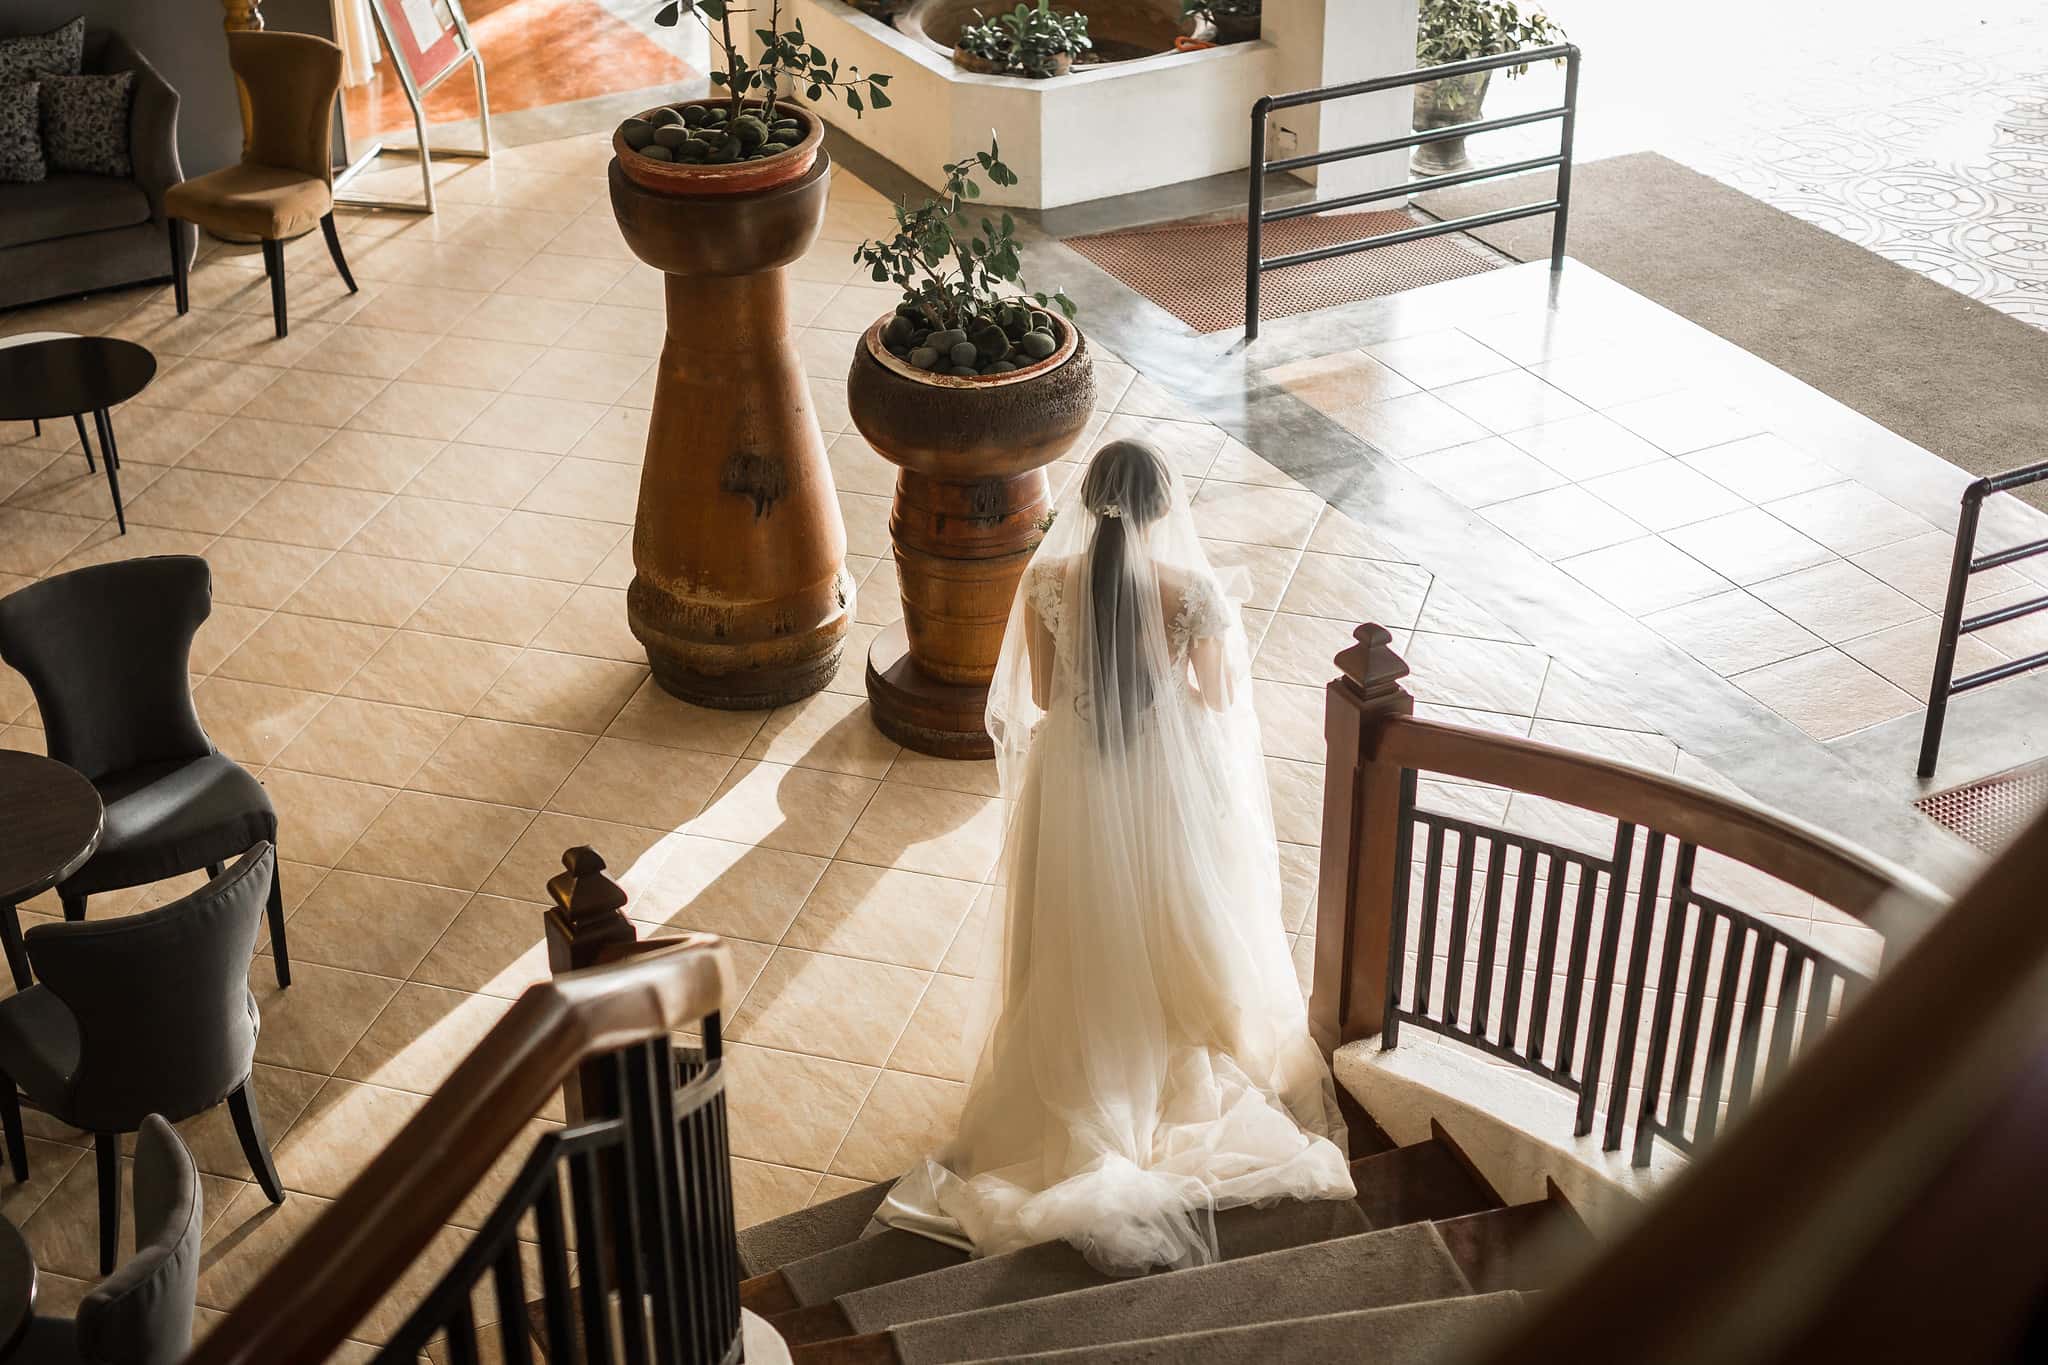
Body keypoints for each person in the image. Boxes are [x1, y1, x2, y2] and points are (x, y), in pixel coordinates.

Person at [877, 438, 1355, 1276]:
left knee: (1075, 920)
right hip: (1160, 786)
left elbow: (1038, 694)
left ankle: (1084, 1046)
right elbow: (1215, 701)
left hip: (1076, 783)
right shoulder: (1193, 592)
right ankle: (1172, 1028)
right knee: (1176, 912)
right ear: (1163, 509)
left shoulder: (1045, 581)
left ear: (1089, 502)